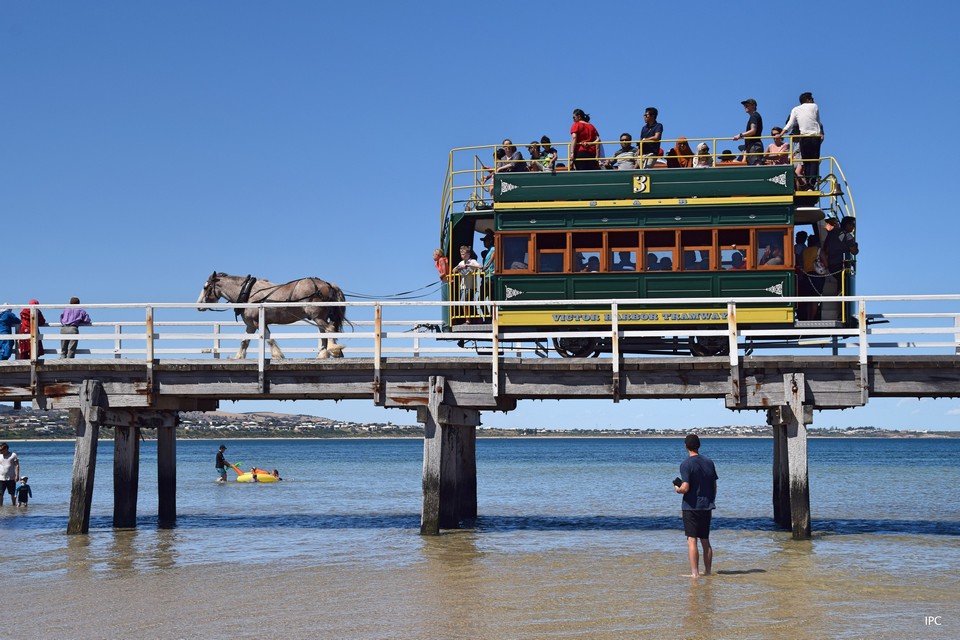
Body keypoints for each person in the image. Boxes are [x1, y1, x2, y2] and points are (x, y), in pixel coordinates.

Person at [675, 433, 718, 578]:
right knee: (705, 540)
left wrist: (677, 489)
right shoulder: (709, 462)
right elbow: (714, 484)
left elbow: (685, 488)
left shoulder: (686, 464)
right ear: (699, 445)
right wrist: (711, 499)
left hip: (691, 506)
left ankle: (694, 573)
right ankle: (708, 571)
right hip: (706, 505)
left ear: (686, 446)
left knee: (691, 539)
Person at [782, 92, 824, 188]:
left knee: (806, 160)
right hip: (814, 136)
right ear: (808, 100)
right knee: (813, 160)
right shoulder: (814, 106)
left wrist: (782, 133)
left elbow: (790, 123)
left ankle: (809, 182)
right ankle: (811, 183)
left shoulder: (795, 109)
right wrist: (821, 133)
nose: (813, 100)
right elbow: (817, 122)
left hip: (804, 137)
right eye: (812, 98)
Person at [732, 98, 764, 165]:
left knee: (756, 166)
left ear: (753, 105)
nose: (745, 106)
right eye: (744, 105)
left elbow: (753, 131)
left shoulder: (754, 116)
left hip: (754, 146)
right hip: (752, 146)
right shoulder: (754, 116)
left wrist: (740, 135)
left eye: (747, 105)